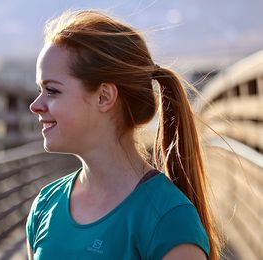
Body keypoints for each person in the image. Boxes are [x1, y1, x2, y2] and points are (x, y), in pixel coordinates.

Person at [26, 9, 222, 260]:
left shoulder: (168, 220)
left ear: (104, 96)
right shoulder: (46, 205)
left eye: (51, 90)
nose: (35, 105)